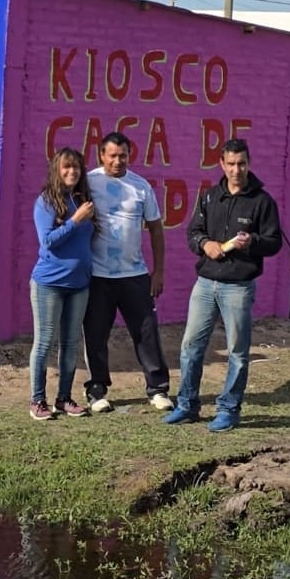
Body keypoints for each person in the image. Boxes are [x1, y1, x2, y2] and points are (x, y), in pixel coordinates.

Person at [163, 138, 282, 432]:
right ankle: (187, 405)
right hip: (205, 284)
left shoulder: (262, 202)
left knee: (237, 353)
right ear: (222, 164)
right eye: (230, 164)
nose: (236, 169)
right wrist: (206, 245)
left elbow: (274, 243)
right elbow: (193, 233)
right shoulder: (209, 196)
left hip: (238, 287)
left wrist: (252, 241)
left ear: (249, 163)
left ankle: (229, 409)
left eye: (241, 163)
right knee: (191, 346)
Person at [82, 132, 173, 413]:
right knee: (96, 335)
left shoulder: (141, 187)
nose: (118, 161)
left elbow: (156, 229)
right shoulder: (88, 183)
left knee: (146, 332)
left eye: (123, 156)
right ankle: (96, 391)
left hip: (134, 274)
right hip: (97, 276)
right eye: (112, 156)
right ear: (102, 156)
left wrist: (158, 272)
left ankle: (158, 389)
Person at [29, 148, 96, 420]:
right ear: (57, 170)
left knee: (70, 344)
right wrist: (75, 220)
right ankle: (37, 401)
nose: (72, 172)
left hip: (79, 284)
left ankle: (64, 398)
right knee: (44, 342)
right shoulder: (45, 202)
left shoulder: (82, 199)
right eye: (66, 167)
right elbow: (47, 241)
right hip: (49, 284)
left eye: (77, 168)